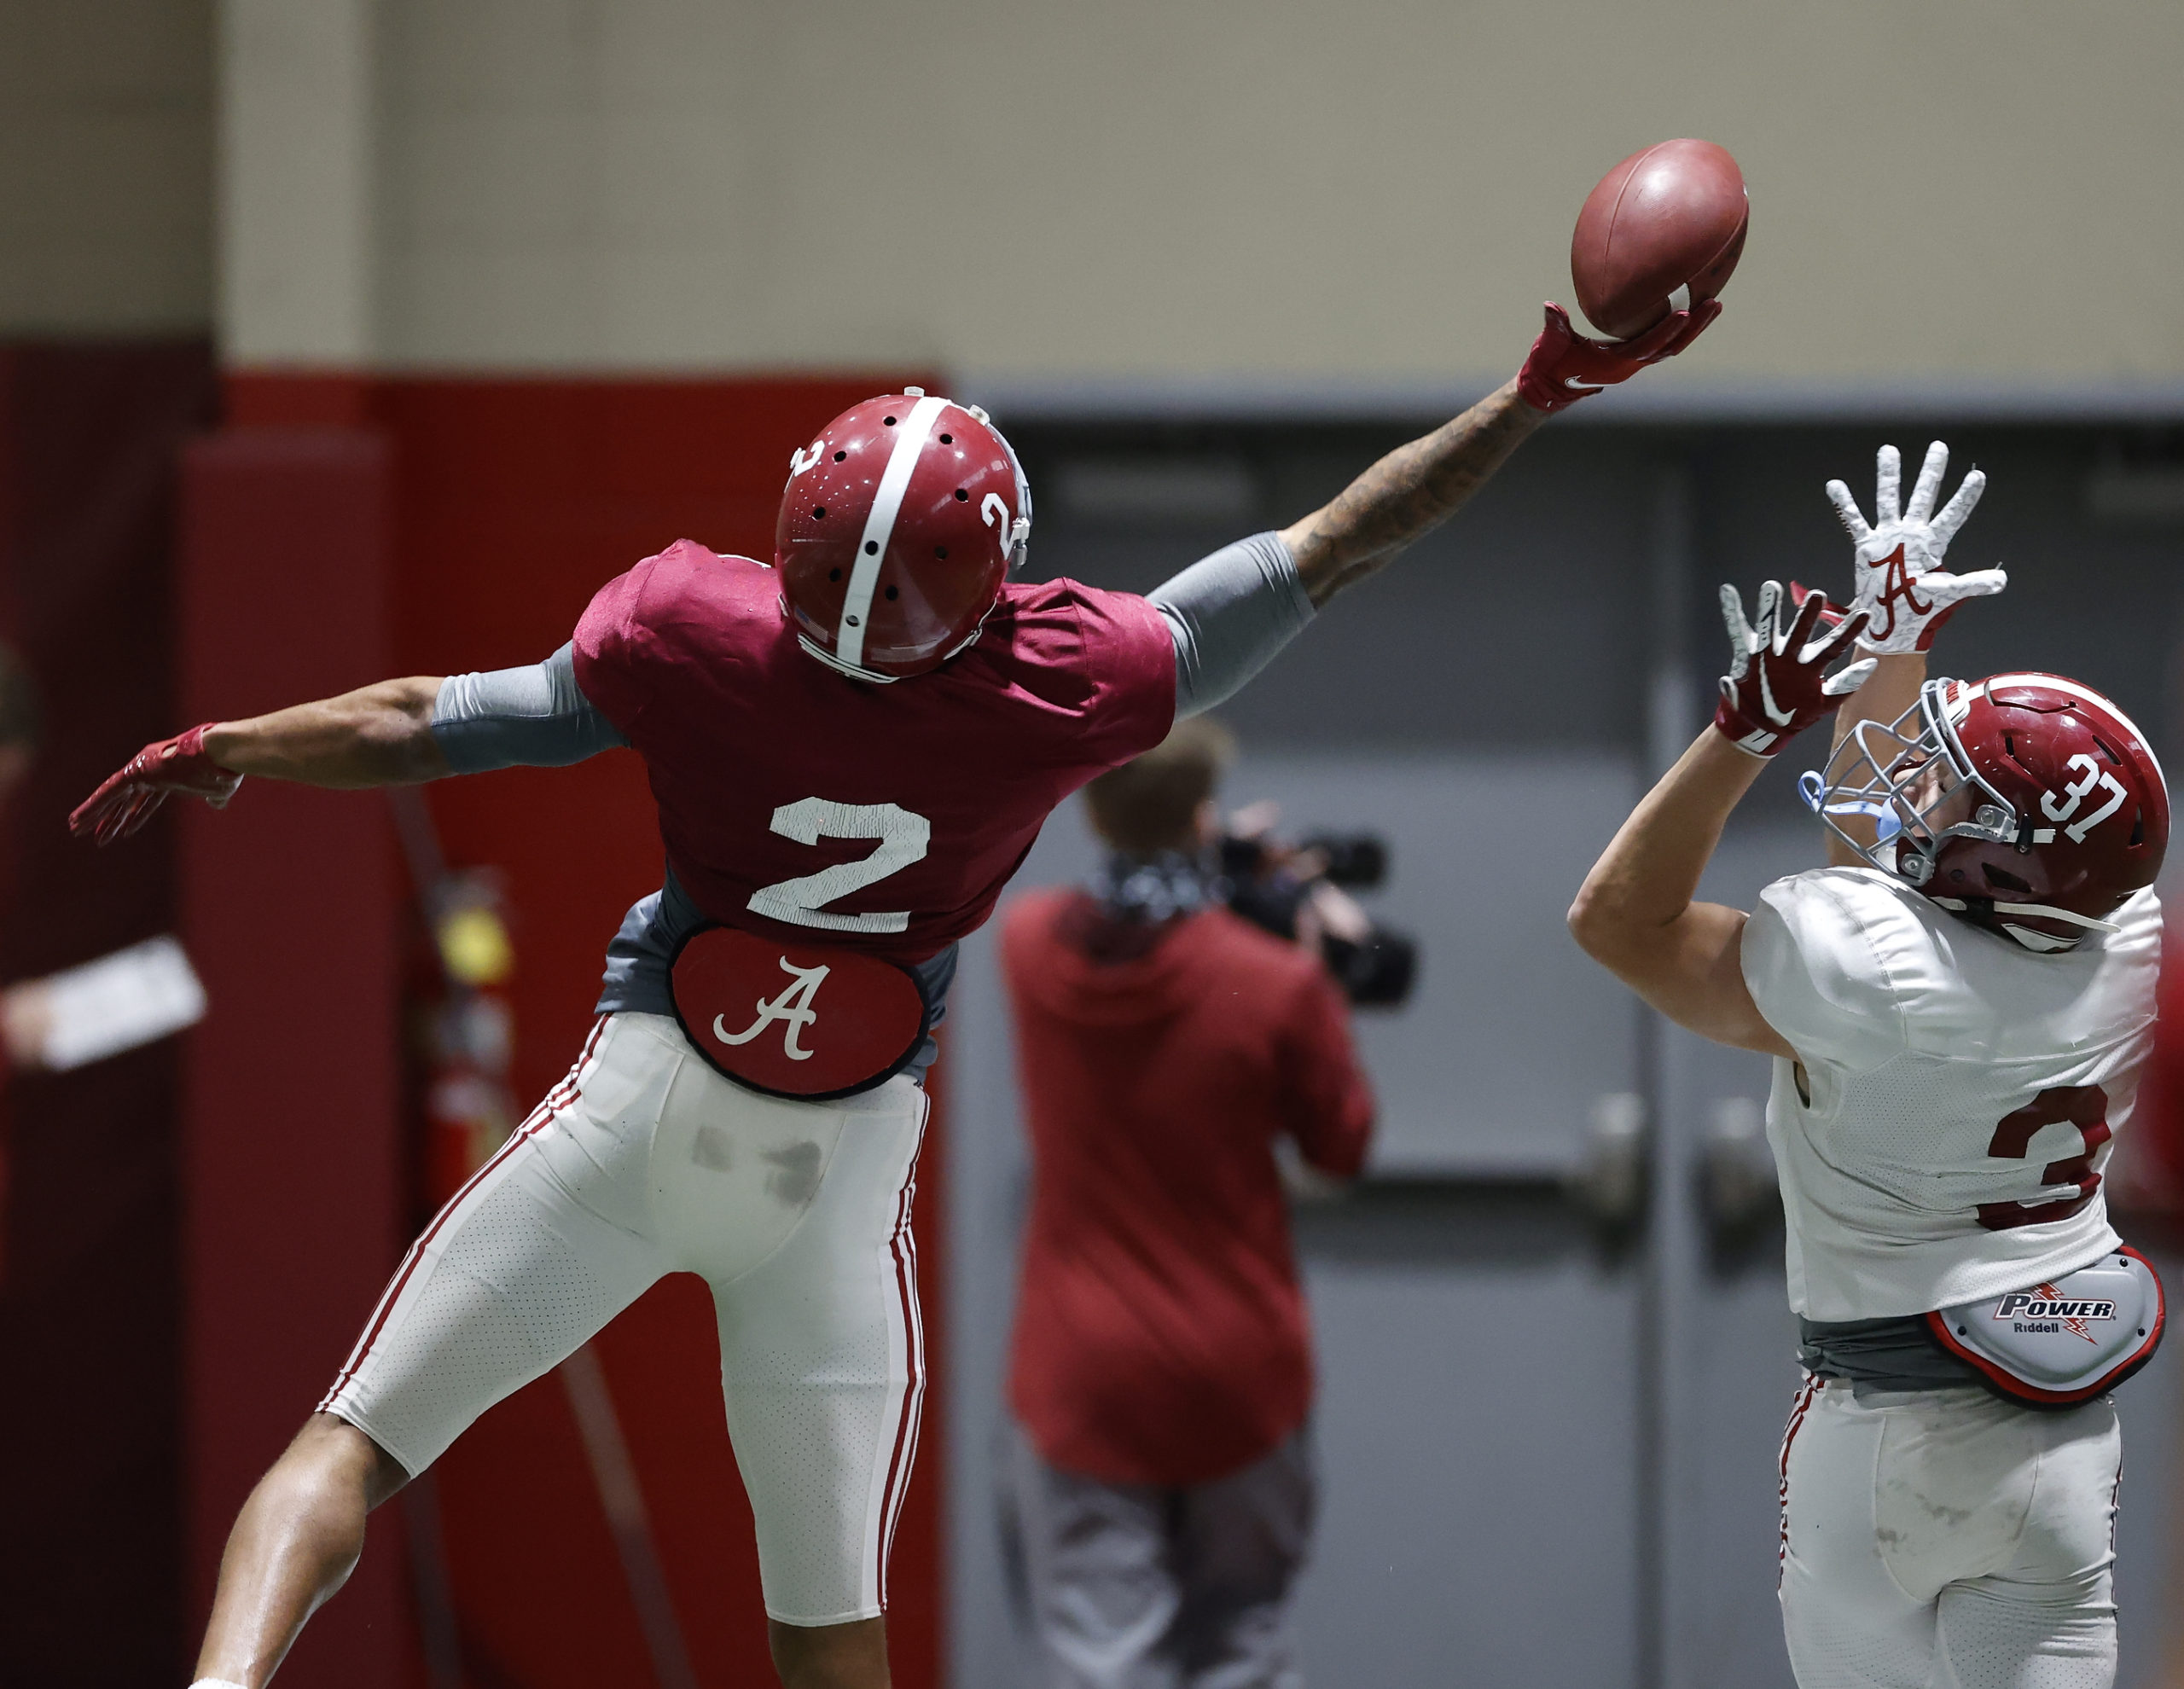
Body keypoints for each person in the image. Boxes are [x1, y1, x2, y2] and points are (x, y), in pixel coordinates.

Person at [72, 299, 1714, 1689]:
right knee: (830, 1639)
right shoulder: (1075, 677)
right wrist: (1535, 391)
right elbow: (1343, 544)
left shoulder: (681, 625)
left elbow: (430, 715)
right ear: (990, 571)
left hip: (638, 1110)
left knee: (343, 1452)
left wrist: (233, 745)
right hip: (829, 1179)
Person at [1568, 441, 2166, 1689]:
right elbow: (1887, 857)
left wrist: (1741, 733)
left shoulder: (1876, 973)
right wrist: (1898, 642)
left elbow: (1618, 921)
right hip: (2062, 1439)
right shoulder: (2129, 933)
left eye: (1953, 794)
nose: (1919, 786)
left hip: (1883, 1439)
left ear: (1996, 863)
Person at [998, 718, 1372, 1689]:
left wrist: (1199, 865)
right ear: (1204, 817)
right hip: (1238, 1370)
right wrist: (1318, 972)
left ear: (1091, 808)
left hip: (1081, 1370)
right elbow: (1341, 1145)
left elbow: (1133, 925)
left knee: (1100, 1660)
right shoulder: (1276, 982)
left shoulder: (1028, 948)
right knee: (1243, 1646)